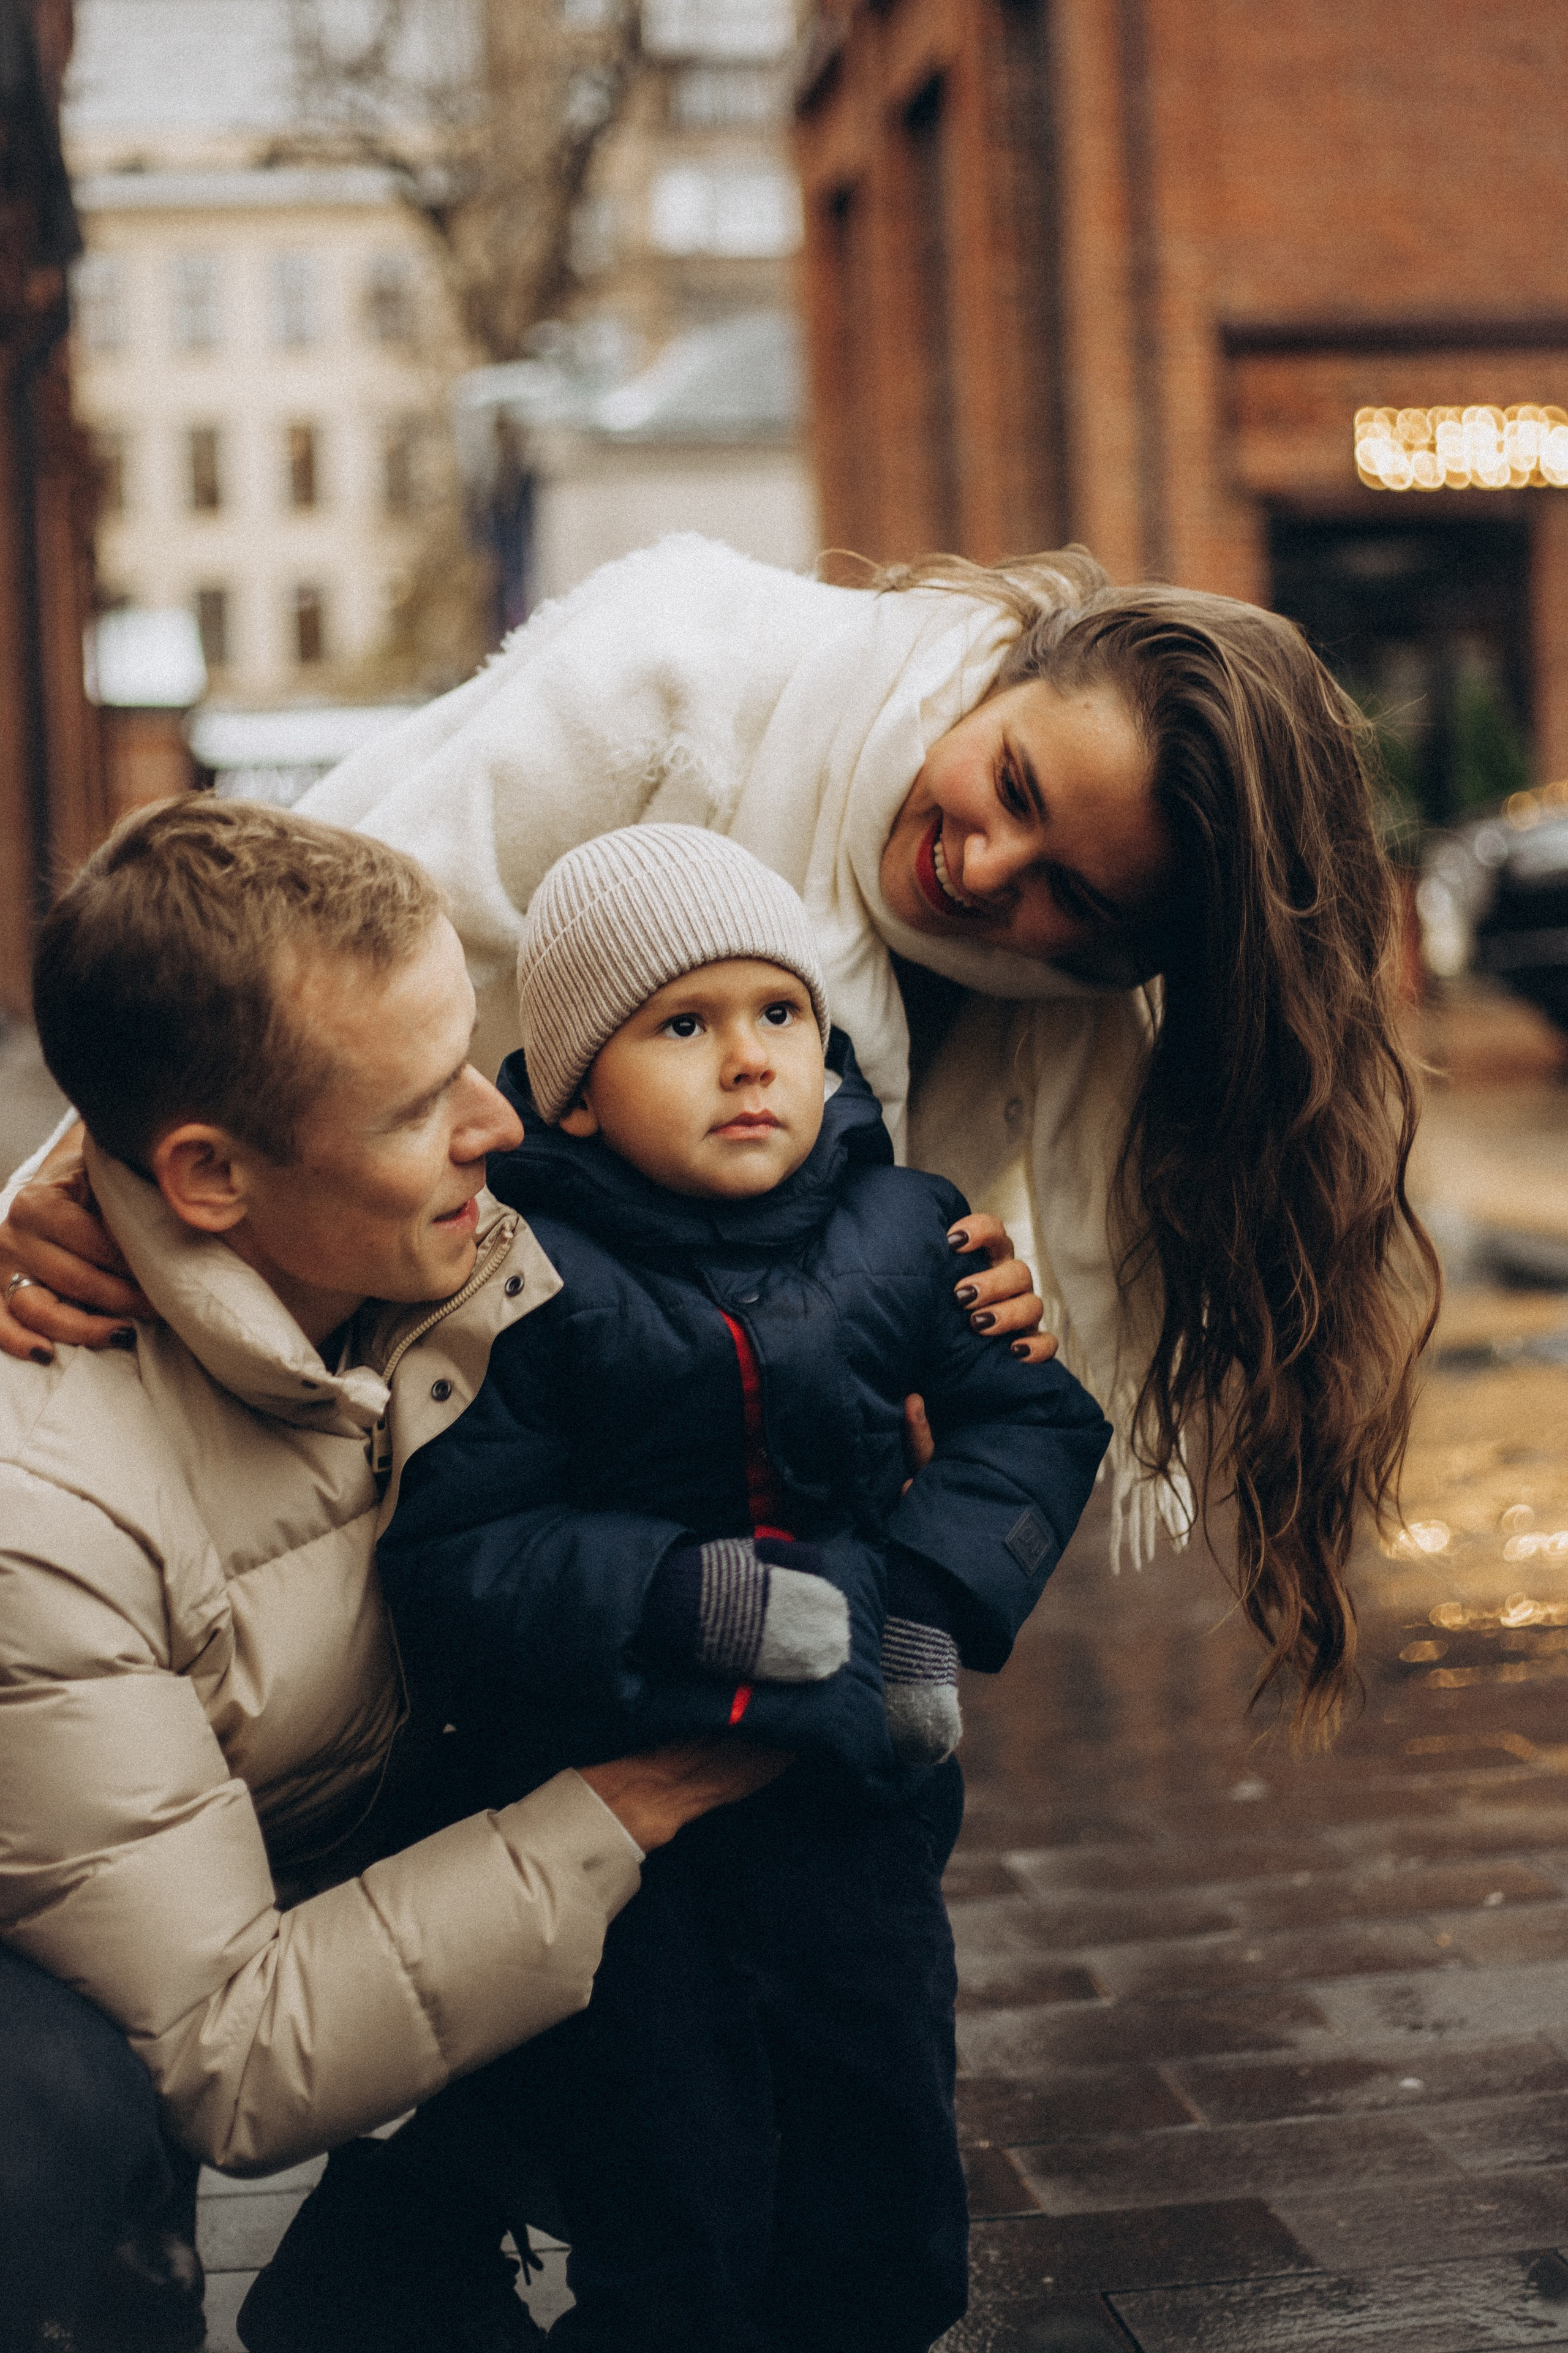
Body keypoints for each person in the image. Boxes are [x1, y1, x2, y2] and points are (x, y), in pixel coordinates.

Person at [3, 535, 1438, 1716]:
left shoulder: (1031, 1006)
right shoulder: (682, 671)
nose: (985, 870)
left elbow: (837, 1255)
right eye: (1010, 784)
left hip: (584, 1471)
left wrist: (959, 1293)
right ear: (1007, 671)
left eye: (1073, 894)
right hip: (333, 1289)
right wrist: (100, 1160)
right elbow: (288, 946)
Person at [0, 799, 790, 2353]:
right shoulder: (43, 1510)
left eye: (474, 1062)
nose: (496, 1127)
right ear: (211, 1176)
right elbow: (228, 2047)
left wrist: (949, 1326)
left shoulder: (444, 1242)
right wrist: (636, 1797)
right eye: (422, 1106)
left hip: (314, 1815)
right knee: (57, 2115)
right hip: (80, 1967)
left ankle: (405, 2248)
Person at [303, 824, 1106, 2353]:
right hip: (626, 1829)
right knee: (679, 2211)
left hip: (855, 1812)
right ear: (579, 1094)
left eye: (777, 1015)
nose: (746, 1060)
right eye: (683, 1025)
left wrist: (923, 1611)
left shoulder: (903, 1229)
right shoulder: (524, 1273)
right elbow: (462, 1549)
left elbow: (1035, 1423)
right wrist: (689, 1598)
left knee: (883, 2187)